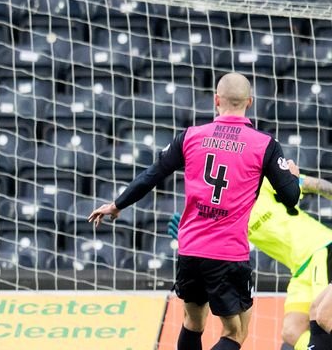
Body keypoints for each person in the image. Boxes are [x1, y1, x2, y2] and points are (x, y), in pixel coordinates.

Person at [88, 72, 301, 350]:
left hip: (190, 249)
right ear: (249, 102)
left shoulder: (190, 136)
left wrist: (116, 206)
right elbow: (291, 198)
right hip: (228, 253)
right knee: (235, 332)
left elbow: (152, 175)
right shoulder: (264, 145)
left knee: (192, 322)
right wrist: (292, 176)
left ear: (216, 100)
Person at [168, 174, 332, 350]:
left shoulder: (265, 180)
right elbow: (216, 246)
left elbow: (315, 184)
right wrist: (194, 238)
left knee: (324, 317)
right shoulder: (225, 214)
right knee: (291, 331)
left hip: (320, 248)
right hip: (299, 268)